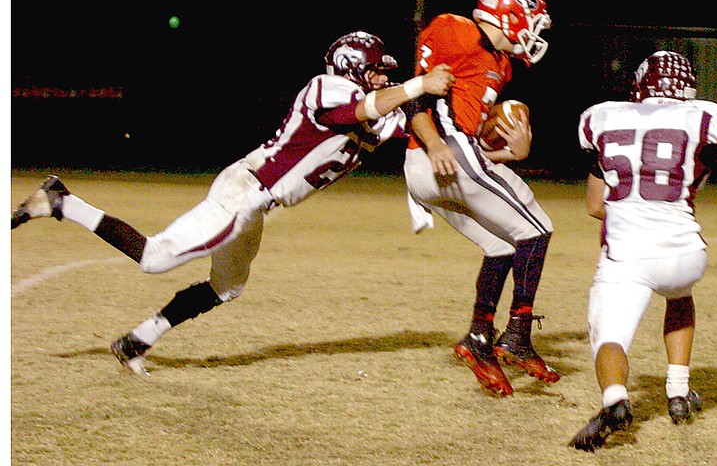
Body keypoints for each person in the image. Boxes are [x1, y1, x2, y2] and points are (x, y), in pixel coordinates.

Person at [11, 31, 455, 376]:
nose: (383, 76)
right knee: (153, 258)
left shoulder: (378, 102)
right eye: (377, 70)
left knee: (226, 287)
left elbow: (415, 127)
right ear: (352, 67)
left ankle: (135, 342)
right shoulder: (328, 89)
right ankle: (61, 202)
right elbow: (358, 112)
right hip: (246, 190)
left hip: (259, 203)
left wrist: (481, 127)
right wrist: (418, 84)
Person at [569, 50, 717, 451]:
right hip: (686, 254)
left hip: (628, 256)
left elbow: (593, 206)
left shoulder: (603, 120)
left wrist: (631, 207)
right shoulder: (702, 121)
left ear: (640, 84)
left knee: (610, 337)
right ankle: (678, 391)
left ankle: (615, 401)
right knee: (679, 295)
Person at [403, 0, 559, 398]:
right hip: (438, 152)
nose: (534, 33)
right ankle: (518, 335)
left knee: (503, 246)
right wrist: (435, 144)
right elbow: (416, 100)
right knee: (536, 229)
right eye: (533, 21)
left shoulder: (501, 64)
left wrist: (512, 155)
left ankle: (478, 337)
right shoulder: (456, 30)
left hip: (448, 161)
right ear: (510, 14)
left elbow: (471, 133)